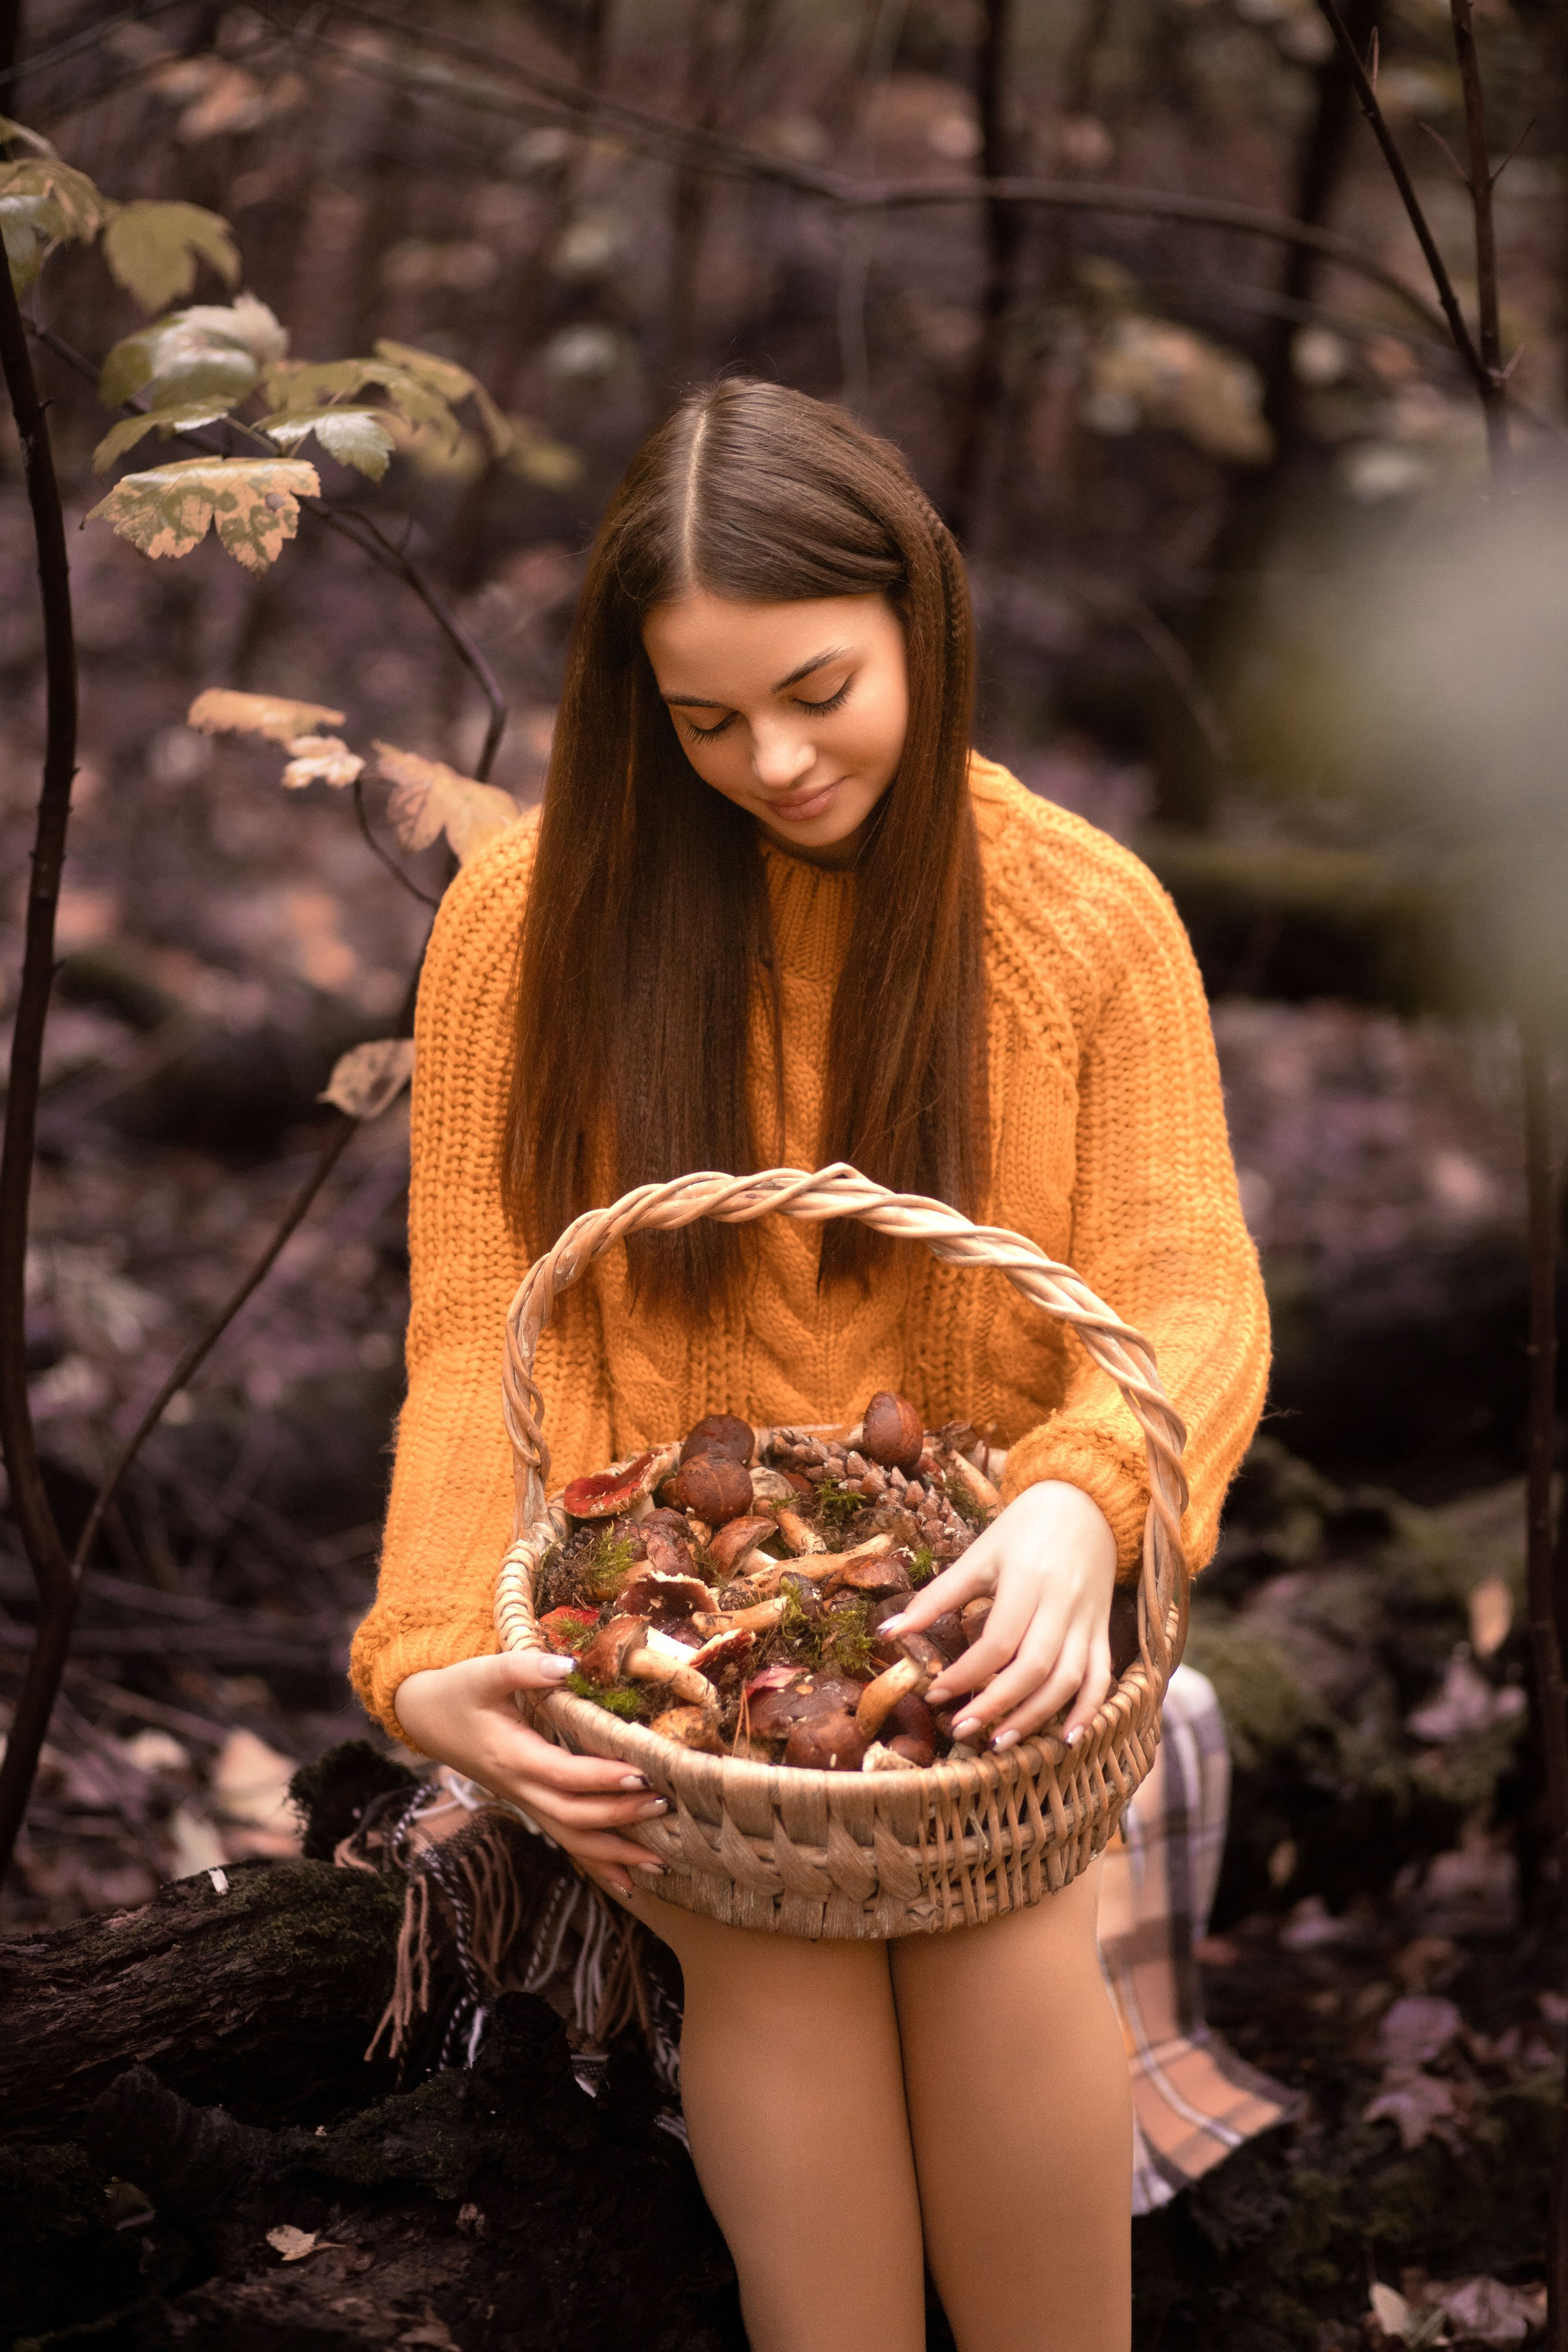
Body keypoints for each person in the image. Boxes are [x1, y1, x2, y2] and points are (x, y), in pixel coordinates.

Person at [350, 377, 1270, 2352]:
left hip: (968, 1563)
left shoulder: (1083, 920)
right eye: (704, 720)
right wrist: (432, 1645)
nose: (770, 760)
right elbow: (470, 1326)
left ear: (923, 623)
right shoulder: (530, 923)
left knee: (1000, 1930)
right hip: (652, 1620)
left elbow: (1187, 1286)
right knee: (777, 1950)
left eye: (820, 689)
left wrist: (1075, 1504)